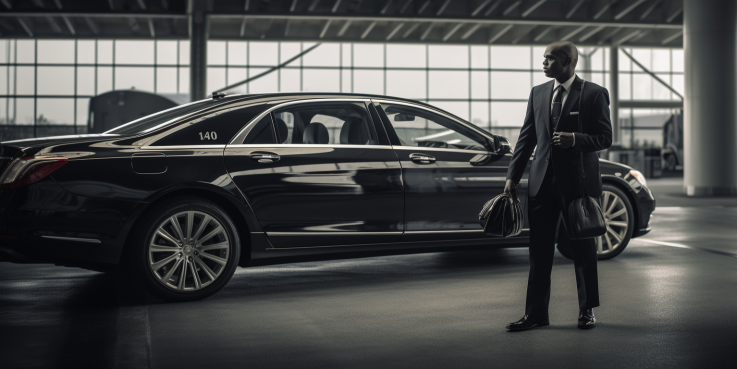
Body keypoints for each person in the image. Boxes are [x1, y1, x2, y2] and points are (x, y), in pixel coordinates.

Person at [504, 41, 612, 331]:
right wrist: (512, 177)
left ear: (567, 61)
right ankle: (536, 314)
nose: (544, 62)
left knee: (582, 250)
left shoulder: (594, 93)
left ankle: (587, 310)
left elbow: (605, 138)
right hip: (541, 182)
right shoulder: (538, 93)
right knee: (538, 252)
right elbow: (527, 138)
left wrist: (575, 139)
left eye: (550, 59)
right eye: (543, 58)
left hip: (577, 184)